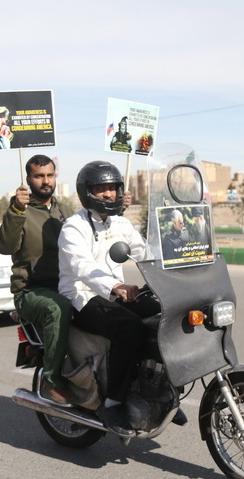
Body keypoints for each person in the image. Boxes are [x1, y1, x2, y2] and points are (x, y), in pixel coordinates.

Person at [58, 161, 160, 438]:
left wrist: (171, 265)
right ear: (86, 192)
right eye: (100, 189)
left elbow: (144, 253)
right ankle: (114, 401)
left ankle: (158, 390)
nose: (107, 195)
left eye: (112, 189)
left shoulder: (121, 223)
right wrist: (115, 285)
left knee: (162, 313)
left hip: (116, 292)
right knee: (129, 328)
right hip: (82, 296)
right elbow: (82, 267)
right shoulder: (74, 227)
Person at [0, 154, 76, 405]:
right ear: (28, 179)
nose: (45, 181)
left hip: (65, 285)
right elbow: (4, 246)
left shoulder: (64, 210)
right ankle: (51, 381)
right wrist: (17, 209)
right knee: (57, 308)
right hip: (31, 291)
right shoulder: (20, 211)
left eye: (49, 175)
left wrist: (119, 208)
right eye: (39, 176)